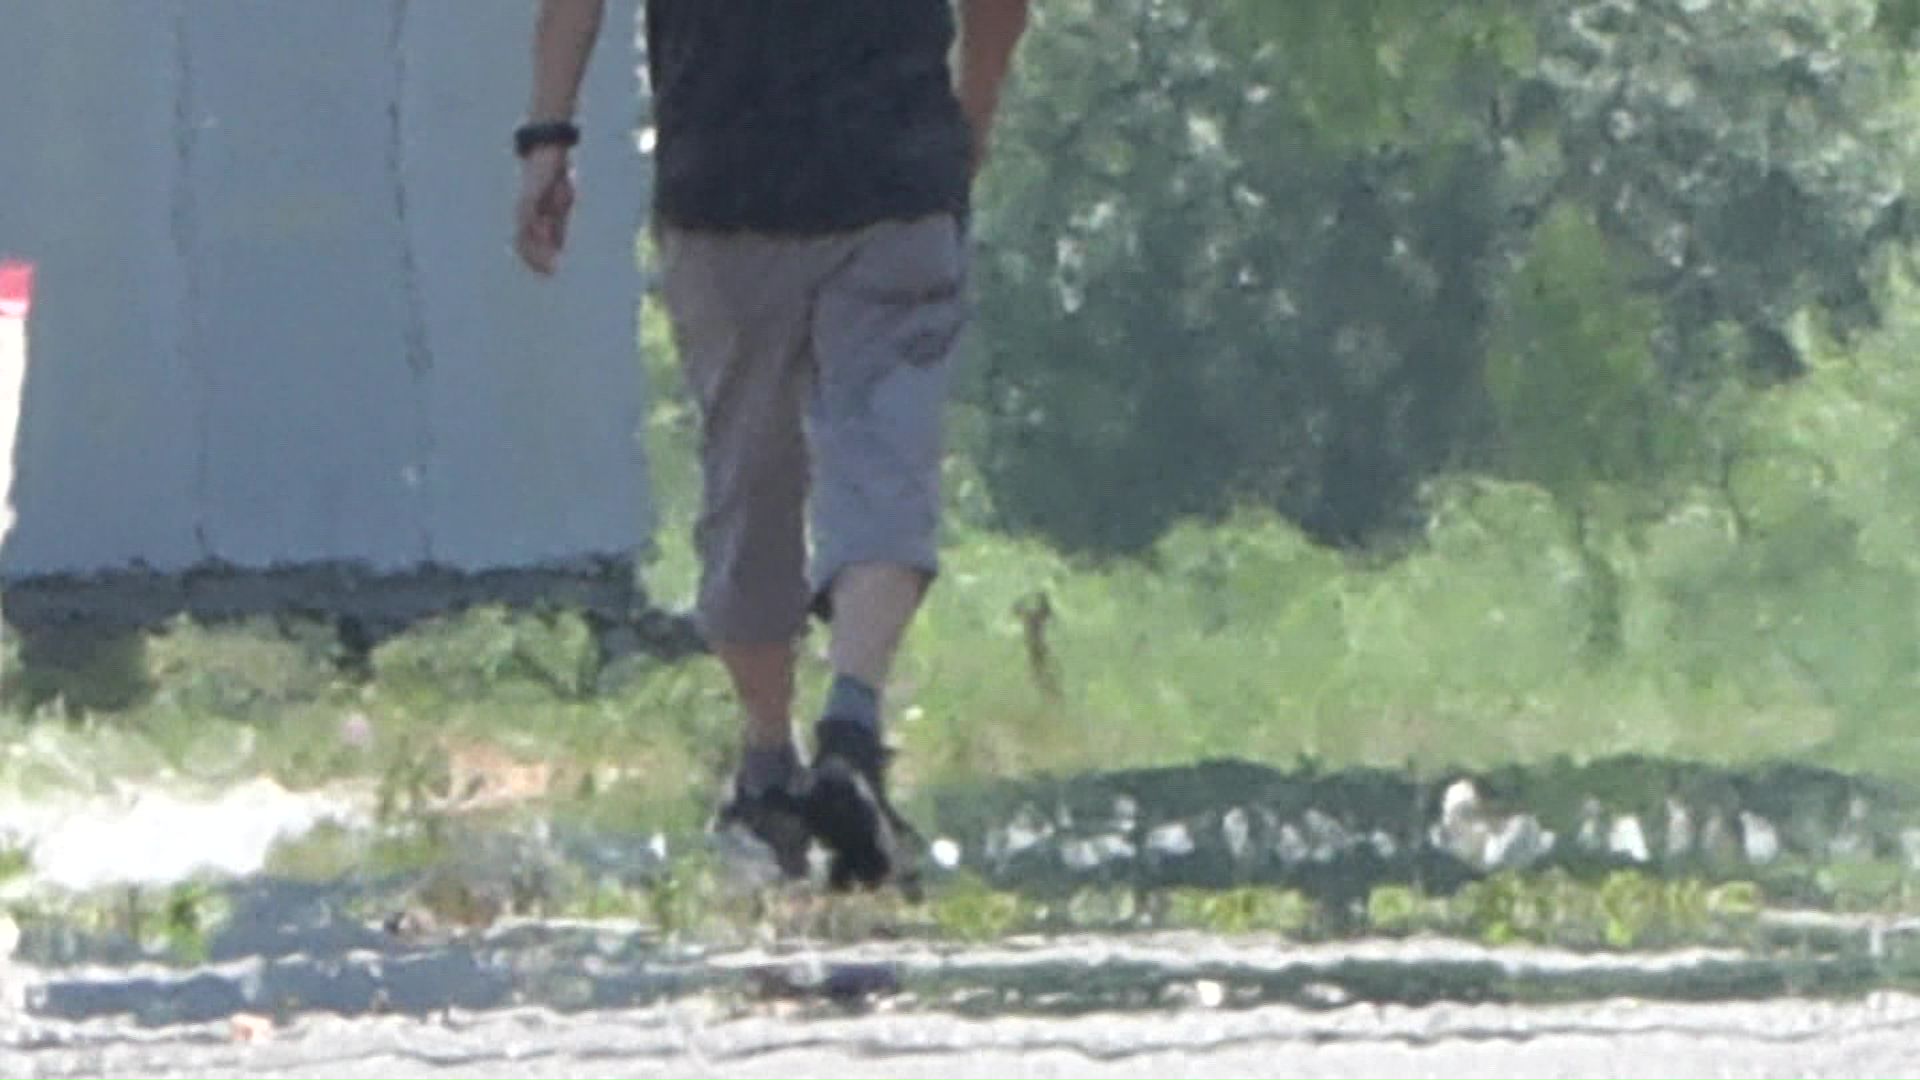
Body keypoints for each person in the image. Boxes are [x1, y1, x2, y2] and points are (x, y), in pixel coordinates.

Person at [513, 0, 1031, 890]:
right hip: (895, 180)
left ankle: (765, 767)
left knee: (749, 479)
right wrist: (968, 128)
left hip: (725, 188)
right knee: (886, 459)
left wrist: (547, 140)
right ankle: (851, 726)